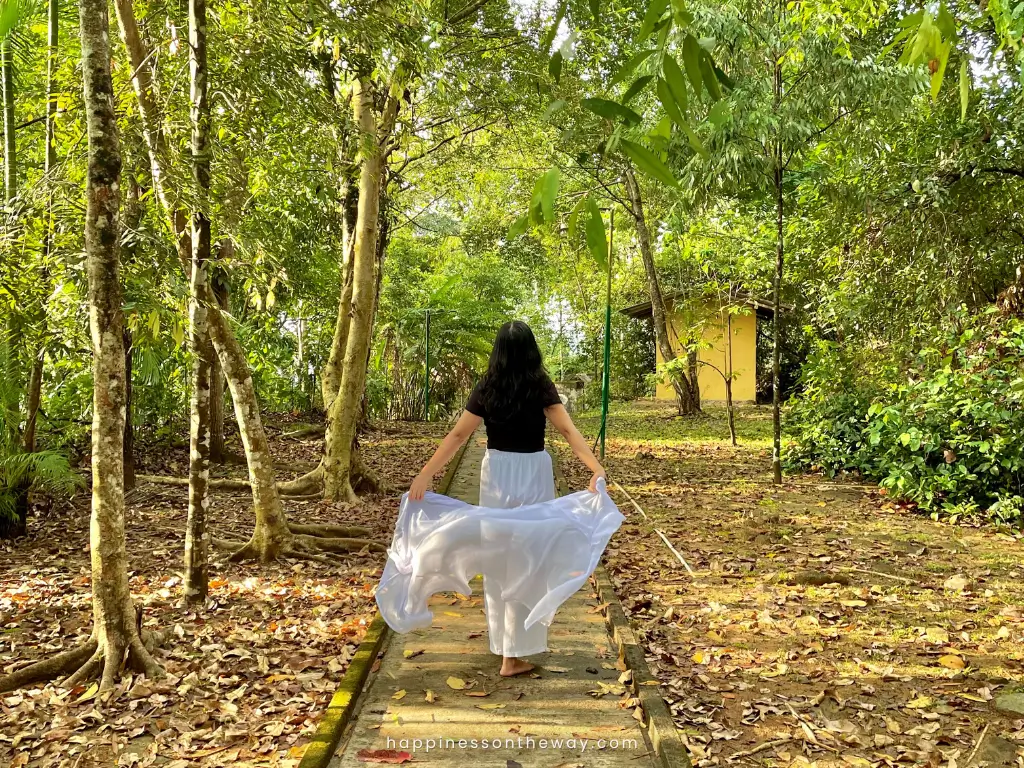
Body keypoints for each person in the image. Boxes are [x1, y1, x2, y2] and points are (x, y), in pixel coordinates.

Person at [407, 320, 608, 677]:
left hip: (496, 472)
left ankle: (506, 650)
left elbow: (457, 436)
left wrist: (426, 473)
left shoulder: (488, 386)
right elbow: (566, 430)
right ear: (532, 351)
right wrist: (595, 468)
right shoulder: (540, 385)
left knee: (500, 560)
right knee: (530, 559)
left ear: (497, 352)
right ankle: (513, 654)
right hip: (533, 471)